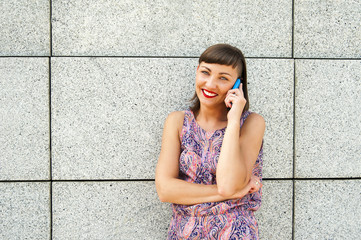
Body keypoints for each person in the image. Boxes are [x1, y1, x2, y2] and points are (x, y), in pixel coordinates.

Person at [155, 43, 265, 239]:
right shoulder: (177, 121)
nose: (211, 84)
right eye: (206, 72)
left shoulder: (251, 123)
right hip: (184, 232)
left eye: (223, 78)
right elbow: (165, 190)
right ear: (197, 71)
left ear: (237, 85)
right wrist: (231, 193)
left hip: (234, 232)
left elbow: (229, 184)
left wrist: (233, 120)